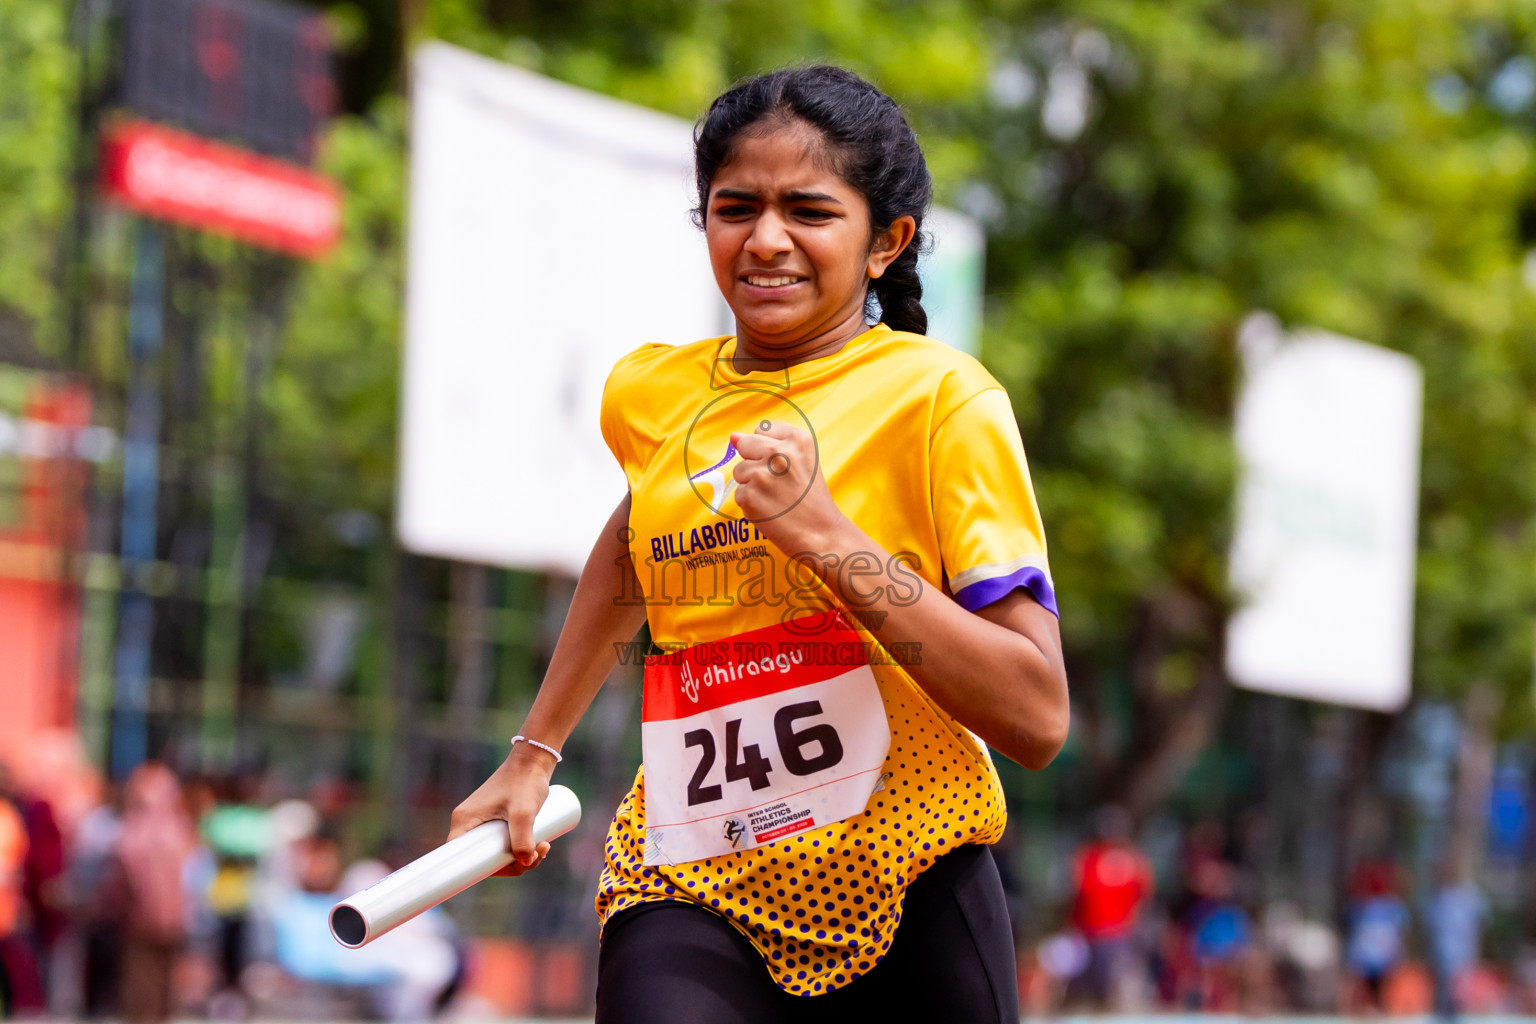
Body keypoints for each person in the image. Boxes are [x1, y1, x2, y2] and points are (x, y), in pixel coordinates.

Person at [448, 65, 1069, 1023]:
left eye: (810, 211)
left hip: (914, 868)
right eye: (735, 207)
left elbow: (1035, 716)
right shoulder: (651, 395)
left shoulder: (944, 401)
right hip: (692, 877)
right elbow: (634, 545)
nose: (766, 239)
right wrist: (534, 752)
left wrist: (827, 537)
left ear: (885, 242)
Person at [1071, 806, 1153, 1009]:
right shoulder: (1089, 856)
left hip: (1119, 931)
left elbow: (1145, 891)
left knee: (1114, 985)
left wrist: (1133, 918)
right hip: (1091, 931)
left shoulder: (1133, 858)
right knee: (1090, 986)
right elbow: (1077, 892)